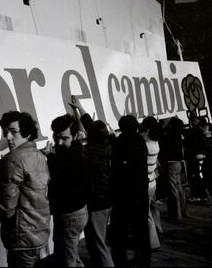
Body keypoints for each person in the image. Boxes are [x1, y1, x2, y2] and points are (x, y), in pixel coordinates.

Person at [0, 111, 51, 267]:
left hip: (21, 236)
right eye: (5, 132)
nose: (8, 137)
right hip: (39, 230)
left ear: (26, 133)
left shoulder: (13, 158)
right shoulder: (39, 155)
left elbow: (7, 207)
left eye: (13, 132)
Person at [69, 96, 115, 267]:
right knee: (96, 239)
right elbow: (91, 125)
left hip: (97, 202)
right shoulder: (109, 144)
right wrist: (79, 107)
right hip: (107, 199)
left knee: (98, 242)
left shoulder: (88, 152)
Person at [46, 114, 88, 267]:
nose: (58, 142)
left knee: (68, 259)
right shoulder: (75, 151)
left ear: (76, 135)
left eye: (64, 138)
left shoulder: (76, 157)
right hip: (72, 211)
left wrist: (50, 157)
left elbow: (63, 178)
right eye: (56, 137)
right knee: (71, 254)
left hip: (70, 213)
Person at [110, 115, 150, 268]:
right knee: (141, 230)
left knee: (120, 232)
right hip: (140, 192)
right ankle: (144, 261)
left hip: (123, 195)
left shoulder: (120, 143)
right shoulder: (140, 141)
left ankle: (121, 262)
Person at [139, 116, 163, 250]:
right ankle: (156, 235)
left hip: (146, 183)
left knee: (146, 214)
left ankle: (153, 243)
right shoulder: (155, 143)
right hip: (152, 182)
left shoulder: (146, 145)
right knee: (149, 211)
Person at [160, 117, 188, 219]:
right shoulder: (180, 136)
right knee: (179, 187)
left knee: (173, 190)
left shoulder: (168, 136)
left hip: (170, 164)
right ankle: (183, 211)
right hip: (178, 163)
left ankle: (176, 214)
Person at [184, 116, 208, 202]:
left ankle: (197, 195)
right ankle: (201, 194)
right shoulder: (199, 132)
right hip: (196, 156)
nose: (194, 121)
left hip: (194, 157)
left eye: (196, 121)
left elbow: (189, 144)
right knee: (197, 176)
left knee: (194, 176)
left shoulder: (195, 132)